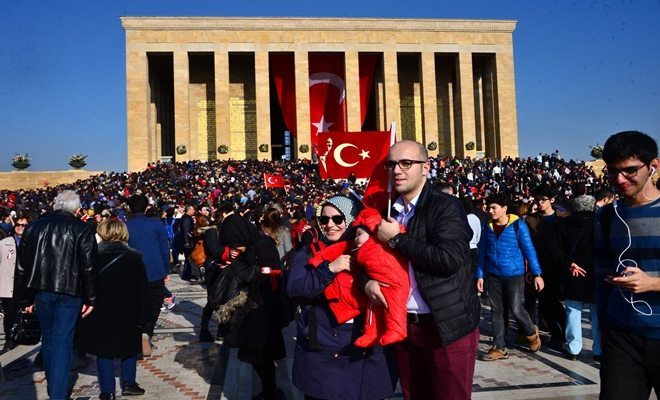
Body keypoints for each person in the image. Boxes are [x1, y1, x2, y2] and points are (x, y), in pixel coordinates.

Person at [369, 140, 481, 400]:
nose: (397, 170)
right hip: (405, 326)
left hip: (445, 326)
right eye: (392, 164)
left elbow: (448, 259)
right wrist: (367, 282)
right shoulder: (388, 212)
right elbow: (369, 259)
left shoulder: (445, 206)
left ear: (425, 168)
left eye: (406, 163)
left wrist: (397, 240)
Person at [287, 195, 396, 400]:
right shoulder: (309, 252)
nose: (330, 225)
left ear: (352, 219)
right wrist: (329, 269)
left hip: (366, 347)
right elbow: (295, 288)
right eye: (324, 220)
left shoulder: (372, 248)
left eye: (338, 219)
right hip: (323, 346)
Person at [595, 131, 660, 399]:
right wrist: (605, 332)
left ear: (653, 166)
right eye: (612, 172)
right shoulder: (607, 216)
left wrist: (653, 283)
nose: (619, 180)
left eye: (630, 170)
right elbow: (601, 278)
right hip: (622, 338)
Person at [15, 190, 97, 400]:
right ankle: (58, 394)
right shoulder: (82, 228)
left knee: (50, 339)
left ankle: (55, 388)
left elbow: (22, 266)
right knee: (62, 341)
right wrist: (91, 298)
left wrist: (25, 298)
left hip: (42, 290)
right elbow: (88, 267)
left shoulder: (34, 227)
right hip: (70, 291)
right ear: (77, 210)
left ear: (55, 206)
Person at [76, 219, 150, 399]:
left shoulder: (93, 256)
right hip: (129, 308)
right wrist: (144, 314)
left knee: (104, 351)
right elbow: (143, 288)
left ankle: (108, 391)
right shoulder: (134, 257)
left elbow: (85, 283)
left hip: (101, 308)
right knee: (130, 347)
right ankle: (129, 383)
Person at [216, 214, 286, 400]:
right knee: (258, 356)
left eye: (235, 243)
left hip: (262, 310)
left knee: (262, 355)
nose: (234, 248)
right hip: (255, 309)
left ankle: (271, 392)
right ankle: (269, 390)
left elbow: (269, 278)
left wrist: (243, 273)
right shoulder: (253, 245)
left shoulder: (262, 246)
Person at [475, 194, 544, 361]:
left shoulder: (518, 225)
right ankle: (499, 346)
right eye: (489, 207)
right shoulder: (487, 227)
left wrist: (537, 274)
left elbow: (529, 250)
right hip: (493, 275)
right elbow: (482, 252)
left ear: (504, 208)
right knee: (497, 310)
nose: (490, 211)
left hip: (514, 273)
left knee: (515, 308)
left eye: (494, 208)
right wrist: (480, 275)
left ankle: (530, 332)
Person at [352, 207, 409, 347]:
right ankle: (370, 333)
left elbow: (401, 234)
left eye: (359, 234)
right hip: (377, 281)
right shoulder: (359, 249)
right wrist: (365, 282)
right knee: (373, 308)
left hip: (394, 281)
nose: (355, 239)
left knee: (394, 305)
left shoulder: (383, 239)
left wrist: (392, 234)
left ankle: (397, 329)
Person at [553, 194, 600, 361]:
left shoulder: (562, 224)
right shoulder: (600, 223)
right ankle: (598, 349)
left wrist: (569, 263)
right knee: (596, 313)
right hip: (595, 272)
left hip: (573, 271)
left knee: (573, 310)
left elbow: (556, 250)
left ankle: (574, 348)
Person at [125, 195, 170, 357]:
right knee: (154, 304)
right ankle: (146, 332)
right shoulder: (156, 224)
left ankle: (137, 333)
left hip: (132, 272)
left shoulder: (125, 225)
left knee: (135, 304)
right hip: (154, 270)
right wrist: (166, 269)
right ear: (146, 208)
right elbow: (164, 248)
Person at [526, 184, 568, 347]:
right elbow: (528, 245)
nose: (540, 203)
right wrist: (530, 268)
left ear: (552, 200)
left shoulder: (564, 217)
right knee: (544, 301)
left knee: (554, 300)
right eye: (537, 200)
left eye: (543, 200)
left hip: (560, 265)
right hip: (540, 265)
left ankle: (565, 329)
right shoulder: (531, 219)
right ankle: (556, 333)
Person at [0, 215, 28, 353]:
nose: (20, 227)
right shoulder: (5, 243)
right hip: (8, 283)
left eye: (24, 225)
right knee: (9, 313)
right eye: (18, 224)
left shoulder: (32, 243)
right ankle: (9, 338)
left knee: (25, 312)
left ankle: (23, 334)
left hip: (26, 284)